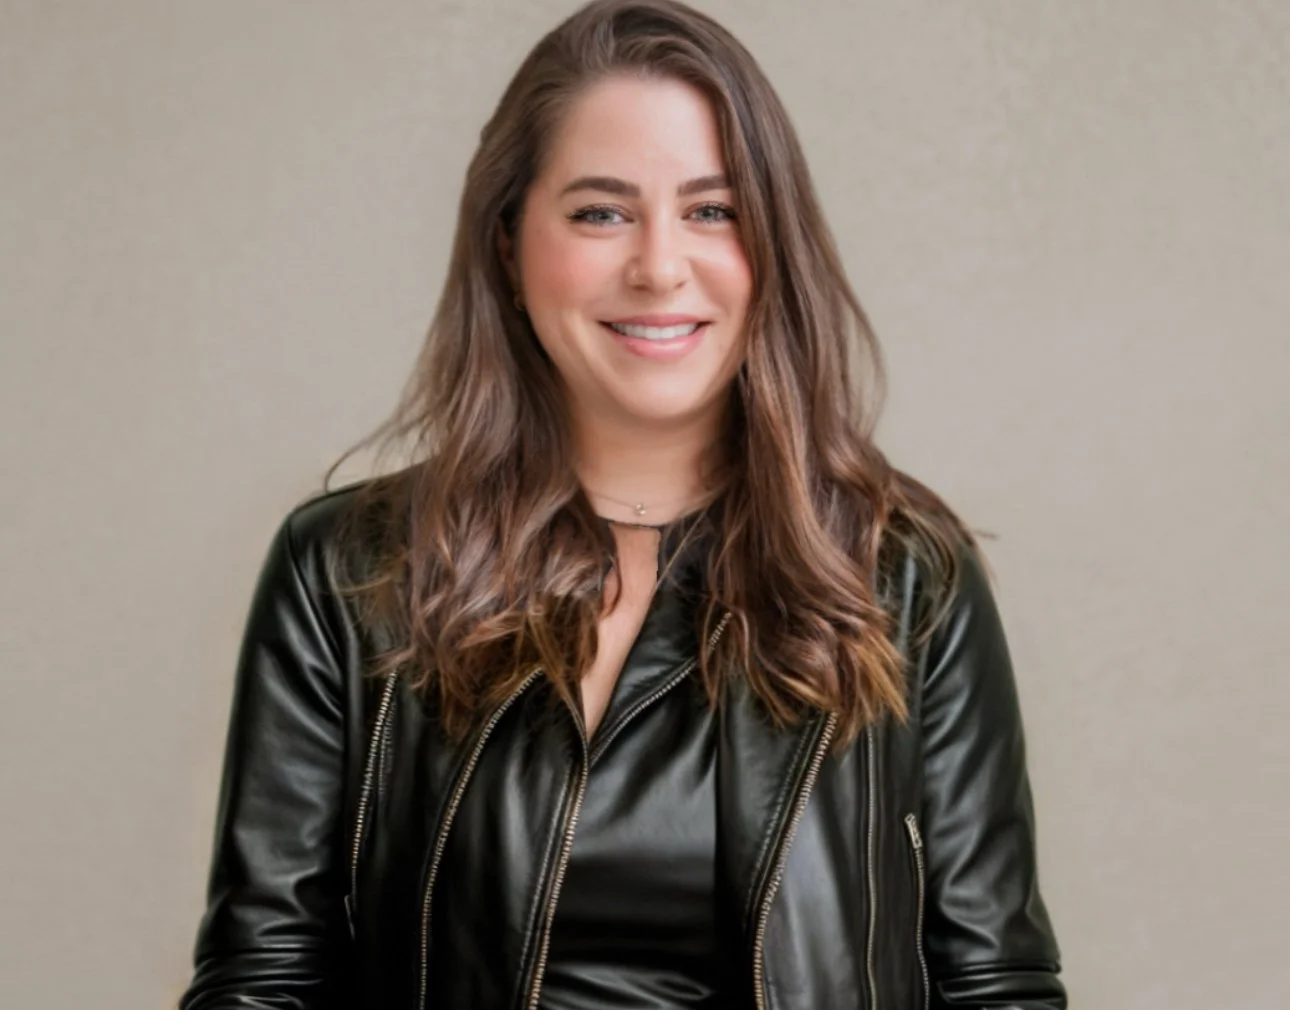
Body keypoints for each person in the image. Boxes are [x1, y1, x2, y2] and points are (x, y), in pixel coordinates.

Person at [178, 1, 1066, 1007]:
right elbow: (262, 975)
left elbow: (999, 982)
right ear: (510, 245)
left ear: (772, 247)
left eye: (712, 209)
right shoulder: (345, 571)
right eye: (601, 211)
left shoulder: (906, 575)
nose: (657, 264)